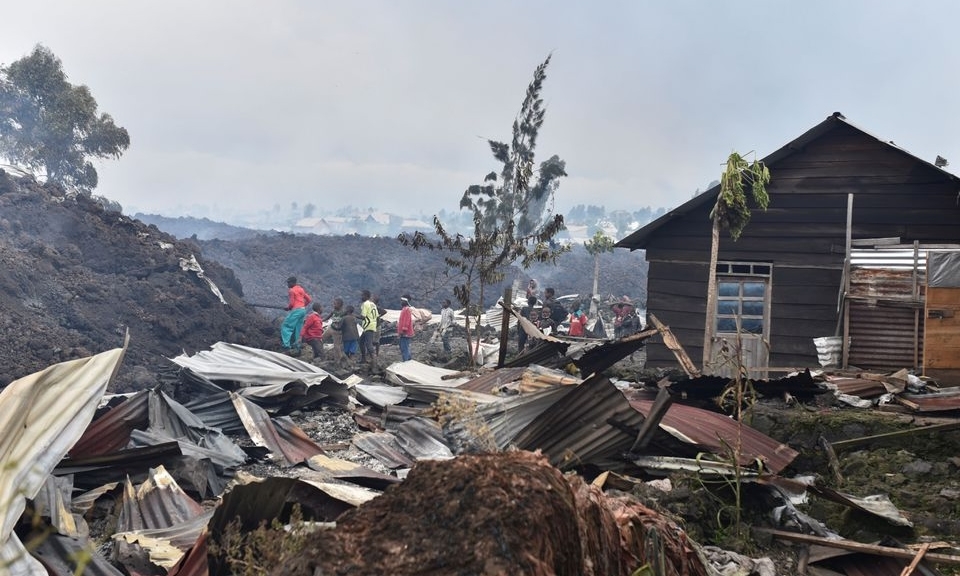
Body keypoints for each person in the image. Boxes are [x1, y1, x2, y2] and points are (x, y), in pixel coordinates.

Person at [281, 276, 311, 355]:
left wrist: (288, 308)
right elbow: (309, 299)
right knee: (298, 328)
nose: (287, 285)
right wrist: (303, 306)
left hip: (296, 310)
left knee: (286, 326)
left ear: (292, 283)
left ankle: (286, 345)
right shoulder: (301, 289)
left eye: (288, 283)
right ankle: (296, 344)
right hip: (303, 310)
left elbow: (291, 303)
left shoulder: (291, 290)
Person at [324, 297, 347, 367]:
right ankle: (320, 354)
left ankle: (340, 359)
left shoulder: (343, 313)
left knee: (337, 346)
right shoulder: (333, 311)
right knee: (322, 338)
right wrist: (320, 320)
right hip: (331, 328)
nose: (334, 305)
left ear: (340, 305)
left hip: (338, 332)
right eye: (334, 304)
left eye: (335, 304)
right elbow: (327, 318)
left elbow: (345, 322)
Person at [359, 289, 379, 366]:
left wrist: (354, 315)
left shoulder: (365, 304)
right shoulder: (373, 304)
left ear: (366, 296)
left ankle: (374, 360)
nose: (361, 297)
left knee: (368, 344)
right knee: (361, 342)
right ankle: (364, 358)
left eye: (362, 295)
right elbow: (377, 317)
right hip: (371, 326)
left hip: (368, 326)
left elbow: (363, 317)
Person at [397, 294, 415, 361]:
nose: (401, 302)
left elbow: (406, 321)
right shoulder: (404, 309)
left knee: (404, 347)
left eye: (402, 301)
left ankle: (406, 361)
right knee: (404, 347)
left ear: (406, 301)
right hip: (403, 333)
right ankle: (409, 359)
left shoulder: (407, 309)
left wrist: (403, 330)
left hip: (405, 333)